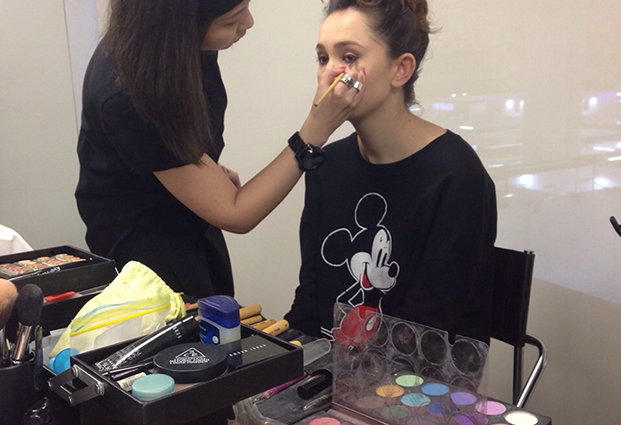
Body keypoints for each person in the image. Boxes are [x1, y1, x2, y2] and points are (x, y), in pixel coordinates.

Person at [75, 0, 364, 299]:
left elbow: (170, 141)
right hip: (147, 249)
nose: (248, 23)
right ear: (181, 26)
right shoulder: (128, 93)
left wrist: (195, 168)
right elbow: (235, 213)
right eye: (231, 20)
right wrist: (313, 133)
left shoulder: (181, 46)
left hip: (186, 220)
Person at [284, 0, 497, 344]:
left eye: (348, 56)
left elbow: (428, 327)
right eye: (323, 58)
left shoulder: (455, 175)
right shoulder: (326, 165)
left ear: (401, 69)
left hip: (413, 370)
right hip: (327, 367)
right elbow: (309, 302)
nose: (328, 74)